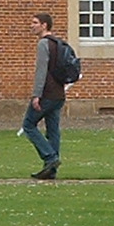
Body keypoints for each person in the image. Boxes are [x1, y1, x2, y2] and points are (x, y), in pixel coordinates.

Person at [21, 13, 67, 180]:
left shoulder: (43, 44)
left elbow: (41, 71)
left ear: (44, 25)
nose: (31, 26)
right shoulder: (59, 43)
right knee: (53, 131)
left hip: (46, 94)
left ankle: (50, 158)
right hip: (59, 94)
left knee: (28, 125)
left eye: (35, 23)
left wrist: (36, 95)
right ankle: (51, 171)